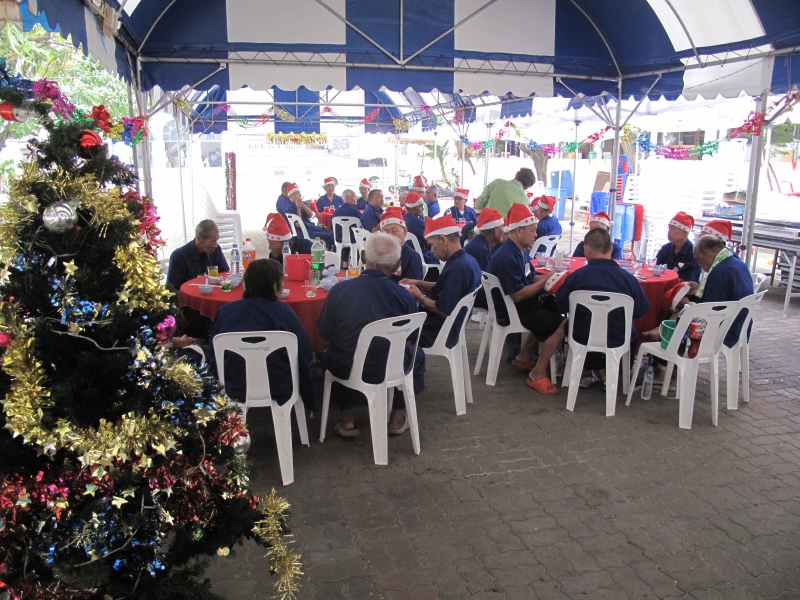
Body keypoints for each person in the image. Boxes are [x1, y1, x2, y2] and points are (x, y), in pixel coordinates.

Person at [317, 233, 426, 436]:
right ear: (397, 265)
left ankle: (347, 419)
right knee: (416, 355)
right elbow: (409, 340)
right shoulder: (404, 296)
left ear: (363, 256)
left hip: (348, 368)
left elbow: (326, 338)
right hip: (391, 368)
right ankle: (397, 417)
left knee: (332, 354)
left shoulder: (339, 291)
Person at [208, 259, 317, 411]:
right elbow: (305, 351)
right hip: (279, 386)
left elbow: (213, 352)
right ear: (275, 286)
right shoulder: (284, 312)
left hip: (233, 386)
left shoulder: (226, 312)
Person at [555, 228, 650, 388]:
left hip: (581, 335)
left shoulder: (576, 277)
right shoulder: (628, 279)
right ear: (611, 250)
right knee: (630, 330)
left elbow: (560, 305)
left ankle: (592, 368)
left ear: (587, 249)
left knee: (580, 323)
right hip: (618, 336)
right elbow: (641, 310)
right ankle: (617, 373)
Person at [489, 203, 566, 395]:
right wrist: (546, 280)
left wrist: (554, 278)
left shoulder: (519, 251)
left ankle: (524, 356)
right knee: (561, 325)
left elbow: (530, 278)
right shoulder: (506, 257)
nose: (535, 235)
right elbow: (518, 295)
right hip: (513, 310)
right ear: (519, 230)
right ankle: (537, 373)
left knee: (552, 307)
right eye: (532, 230)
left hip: (521, 306)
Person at [401, 215, 481, 348]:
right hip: (453, 324)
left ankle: (406, 360)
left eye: (432, 245)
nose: (432, 251)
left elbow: (442, 310)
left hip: (440, 330)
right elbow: (446, 286)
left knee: (395, 328)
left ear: (443, 240)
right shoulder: (467, 260)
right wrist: (418, 283)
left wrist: (419, 296)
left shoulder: (458, 268)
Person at [688, 234, 753, 348]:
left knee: (680, 318)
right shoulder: (738, 263)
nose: (699, 264)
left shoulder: (719, 273)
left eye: (698, 259)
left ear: (706, 254)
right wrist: (699, 290)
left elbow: (710, 311)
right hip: (742, 325)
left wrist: (688, 304)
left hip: (726, 331)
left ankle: (669, 354)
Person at [168, 219, 230, 289]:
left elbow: (225, 275)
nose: (215, 245)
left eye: (216, 241)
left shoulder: (216, 250)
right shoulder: (179, 256)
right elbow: (172, 290)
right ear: (199, 238)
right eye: (212, 241)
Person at [464, 208, 505, 310]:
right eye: (502, 227)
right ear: (495, 231)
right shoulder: (481, 250)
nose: (504, 231)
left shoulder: (480, 242)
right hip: (472, 296)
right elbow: (485, 282)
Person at [280, 182, 334, 249]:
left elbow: (311, 215)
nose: (297, 196)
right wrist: (298, 209)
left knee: (331, 232)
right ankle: (326, 252)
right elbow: (298, 224)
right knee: (329, 236)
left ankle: (328, 249)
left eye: (298, 193)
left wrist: (303, 204)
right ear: (290, 197)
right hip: (304, 232)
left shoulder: (304, 203)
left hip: (311, 228)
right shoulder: (289, 208)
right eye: (294, 194)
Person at [380, 207, 423, 282]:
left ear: (405, 232)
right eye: (386, 232)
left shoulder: (412, 257)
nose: (390, 235)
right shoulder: (379, 254)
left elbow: (412, 286)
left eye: (394, 231)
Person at [655, 211, 697, 281]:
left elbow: (687, 279)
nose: (669, 231)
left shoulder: (693, 253)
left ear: (684, 233)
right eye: (669, 228)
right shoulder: (665, 248)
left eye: (673, 229)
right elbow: (655, 268)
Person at [403, 192, 439, 266]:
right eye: (420, 206)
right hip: (419, 255)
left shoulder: (402, 218)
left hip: (403, 254)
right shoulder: (419, 223)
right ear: (412, 210)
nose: (423, 209)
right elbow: (429, 241)